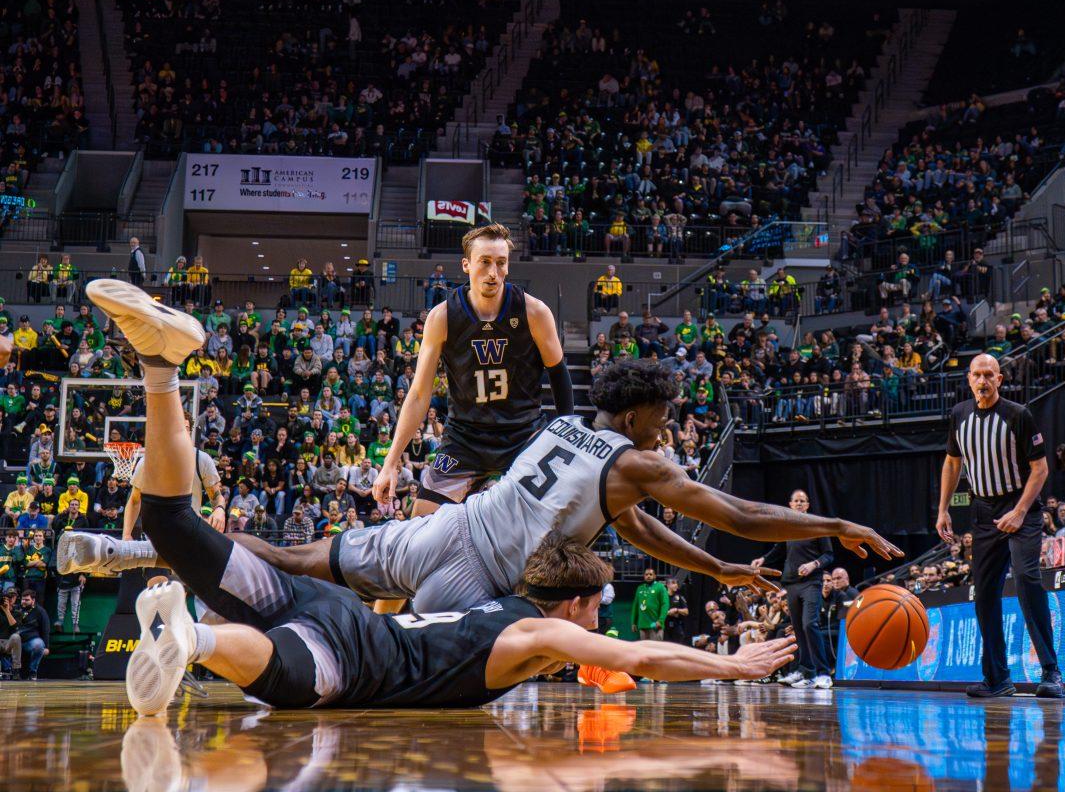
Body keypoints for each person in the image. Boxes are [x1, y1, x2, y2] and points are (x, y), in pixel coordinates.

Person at [50, 290, 799, 712]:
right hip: (359, 649)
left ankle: (160, 367)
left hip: (372, 571)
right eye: (596, 609)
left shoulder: (568, 446)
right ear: (566, 606)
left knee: (171, 517)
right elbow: (633, 654)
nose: (599, 620)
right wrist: (733, 666)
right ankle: (196, 639)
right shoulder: (532, 628)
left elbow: (625, 534)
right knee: (286, 676)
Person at [371, 223, 573, 520]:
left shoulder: (534, 311)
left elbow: (559, 374)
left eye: (501, 263)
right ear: (466, 265)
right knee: (421, 519)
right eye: (485, 262)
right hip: (465, 438)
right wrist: (390, 462)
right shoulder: (442, 317)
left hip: (523, 434)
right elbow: (418, 394)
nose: (494, 272)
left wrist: (565, 436)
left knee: (552, 520)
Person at [936, 354, 1062, 698]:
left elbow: (1041, 470)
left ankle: (1051, 671)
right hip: (983, 511)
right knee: (985, 594)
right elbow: (952, 461)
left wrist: (1020, 512)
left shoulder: (1018, 415)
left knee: (1026, 579)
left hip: (1020, 507)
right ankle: (997, 677)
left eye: (989, 375)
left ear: (1000, 379)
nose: (983, 380)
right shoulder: (959, 415)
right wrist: (943, 509)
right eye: (977, 375)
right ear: (968, 379)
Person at [751, 488, 835, 689]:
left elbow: (829, 555)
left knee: (809, 624)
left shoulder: (817, 526)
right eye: (795, 500)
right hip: (792, 584)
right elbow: (779, 549)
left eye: (802, 501)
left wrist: (813, 564)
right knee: (798, 629)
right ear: (790, 504)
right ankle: (805, 672)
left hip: (811, 583)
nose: (799, 504)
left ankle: (823, 673)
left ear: (807, 505)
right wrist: (764, 559)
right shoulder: (787, 527)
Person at [16, 587, 49, 680]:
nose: (24, 602)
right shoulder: (16, 609)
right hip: (16, 640)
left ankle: (32, 672)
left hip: (30, 640)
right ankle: (11, 671)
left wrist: (46, 646)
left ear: (33, 600)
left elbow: (46, 629)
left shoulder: (40, 611)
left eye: (27, 600)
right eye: (22, 599)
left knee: (38, 645)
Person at [631, 567, 668, 642]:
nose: (648, 576)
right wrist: (633, 622)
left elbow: (665, 605)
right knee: (644, 650)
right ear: (644, 576)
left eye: (651, 574)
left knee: (656, 650)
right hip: (643, 625)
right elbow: (635, 606)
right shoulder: (640, 588)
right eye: (646, 574)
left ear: (655, 576)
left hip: (656, 625)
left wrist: (660, 621)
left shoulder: (660, 587)